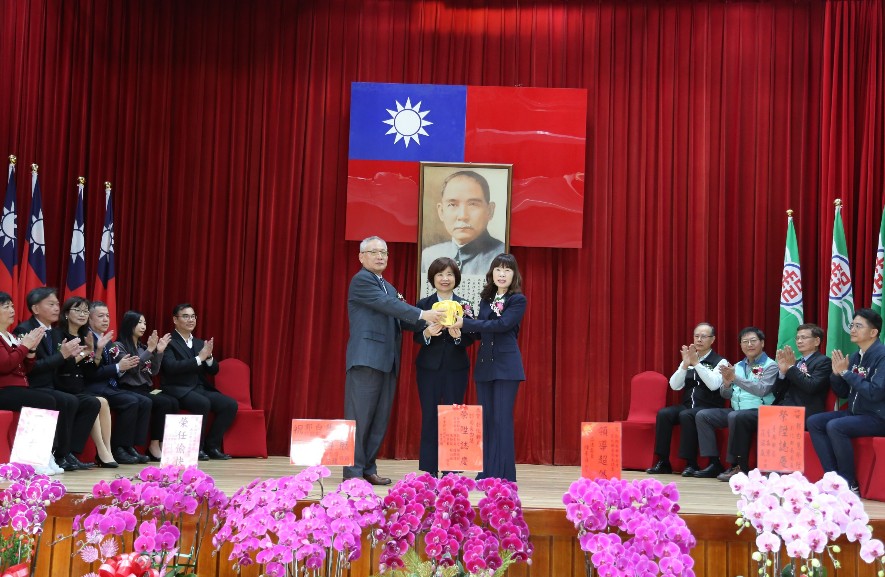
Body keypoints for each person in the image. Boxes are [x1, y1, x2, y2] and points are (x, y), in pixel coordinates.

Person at [344, 236, 446, 485]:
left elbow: (401, 316)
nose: (380, 256)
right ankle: (353, 474)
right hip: (366, 359)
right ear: (361, 257)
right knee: (360, 419)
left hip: (387, 361)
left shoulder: (388, 286)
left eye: (384, 252)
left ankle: (368, 468)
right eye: (374, 252)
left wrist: (429, 325)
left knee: (379, 419)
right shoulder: (362, 280)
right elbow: (389, 306)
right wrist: (424, 313)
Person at [718, 323, 832, 482]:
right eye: (797, 338)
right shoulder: (795, 362)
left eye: (804, 338)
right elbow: (778, 392)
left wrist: (790, 369)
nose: (799, 341)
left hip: (803, 412)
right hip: (782, 409)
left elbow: (811, 387)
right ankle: (740, 467)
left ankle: (772, 472)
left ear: (817, 341)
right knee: (740, 417)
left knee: (744, 417)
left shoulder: (823, 362)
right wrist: (782, 374)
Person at [453, 253, 526, 482]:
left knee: (501, 419)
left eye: (507, 270)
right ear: (491, 273)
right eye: (498, 269)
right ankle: (486, 472)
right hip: (485, 366)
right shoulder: (486, 298)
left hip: (506, 367)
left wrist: (467, 323)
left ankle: (504, 475)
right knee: (486, 420)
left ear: (514, 275)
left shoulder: (517, 300)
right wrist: (459, 328)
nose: (502, 274)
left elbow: (502, 325)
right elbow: (481, 332)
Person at [15, 287, 99, 472]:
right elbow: (32, 367)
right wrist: (63, 355)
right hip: (35, 385)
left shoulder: (54, 332)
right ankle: (57, 453)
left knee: (91, 402)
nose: (56, 308)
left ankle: (70, 452)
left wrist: (81, 354)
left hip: (54, 384)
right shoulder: (25, 330)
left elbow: (61, 363)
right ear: (36, 309)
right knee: (66, 400)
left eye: (57, 304)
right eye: (51, 304)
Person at [808, 309, 885, 495]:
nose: (852, 329)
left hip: (877, 417)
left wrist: (846, 373)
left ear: (873, 332)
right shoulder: (856, 356)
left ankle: (849, 483)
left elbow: (875, 392)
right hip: (855, 413)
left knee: (836, 426)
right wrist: (836, 375)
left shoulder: (882, 356)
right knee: (814, 422)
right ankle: (832, 478)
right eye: (852, 325)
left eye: (858, 326)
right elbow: (843, 392)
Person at [414, 257, 476, 476]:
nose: (445, 279)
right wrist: (426, 333)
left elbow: (473, 336)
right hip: (428, 368)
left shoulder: (465, 305)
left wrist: (459, 337)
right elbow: (415, 335)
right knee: (430, 416)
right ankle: (429, 470)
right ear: (433, 278)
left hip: (456, 368)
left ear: (456, 278)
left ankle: (452, 469)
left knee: (454, 417)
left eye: (449, 274)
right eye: (440, 274)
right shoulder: (423, 305)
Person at [693, 327, 776, 479]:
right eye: (745, 342)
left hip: (761, 412)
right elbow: (726, 395)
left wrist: (735, 379)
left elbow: (762, 390)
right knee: (703, 415)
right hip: (737, 411)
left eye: (753, 341)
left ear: (762, 343)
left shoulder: (770, 365)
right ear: (741, 345)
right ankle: (713, 463)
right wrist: (726, 385)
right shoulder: (737, 366)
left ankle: (739, 466)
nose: (749, 345)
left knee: (735, 417)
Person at [646, 323, 727, 476]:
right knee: (664, 414)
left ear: (712, 340)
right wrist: (684, 365)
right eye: (696, 336)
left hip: (709, 407)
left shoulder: (719, 361)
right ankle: (663, 461)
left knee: (686, 415)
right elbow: (674, 386)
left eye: (704, 336)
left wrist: (696, 364)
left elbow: (714, 385)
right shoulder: (689, 359)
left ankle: (691, 463)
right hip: (688, 405)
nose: (699, 340)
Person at [159, 303, 237, 460]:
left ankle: (212, 446)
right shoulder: (168, 342)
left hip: (199, 388)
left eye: (193, 316)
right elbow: (171, 367)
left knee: (230, 405)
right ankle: (196, 449)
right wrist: (199, 358)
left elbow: (214, 370)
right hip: (177, 388)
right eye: (185, 316)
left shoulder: (200, 343)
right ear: (175, 320)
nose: (191, 320)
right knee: (202, 403)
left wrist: (209, 357)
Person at [86, 301, 154, 465]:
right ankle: (118, 448)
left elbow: (121, 368)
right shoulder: (87, 339)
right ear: (90, 318)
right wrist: (118, 367)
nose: (105, 319)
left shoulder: (107, 341)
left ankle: (130, 446)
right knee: (131, 401)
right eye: (101, 316)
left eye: (107, 316)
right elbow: (92, 373)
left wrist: (122, 367)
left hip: (111, 385)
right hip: (94, 387)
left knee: (144, 401)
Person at [0, 292, 60, 475]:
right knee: (45, 400)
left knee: (48, 399)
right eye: (6, 307)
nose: (12, 310)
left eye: (12, 306)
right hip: (3, 389)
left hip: (17, 387)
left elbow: (25, 368)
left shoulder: (10, 336)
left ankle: (43, 455)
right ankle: (32, 459)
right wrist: (24, 346)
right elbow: (5, 365)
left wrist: (31, 350)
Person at [55, 297, 118, 468]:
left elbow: (90, 369)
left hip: (79, 385)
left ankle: (105, 450)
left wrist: (97, 351)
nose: (82, 314)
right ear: (66, 314)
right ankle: (96, 451)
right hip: (62, 384)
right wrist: (87, 352)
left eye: (85, 311)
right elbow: (62, 365)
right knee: (93, 402)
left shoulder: (85, 336)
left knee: (100, 402)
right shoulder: (58, 334)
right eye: (78, 310)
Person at [116, 310, 176, 461]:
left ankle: (162, 443)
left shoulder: (142, 347)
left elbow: (153, 371)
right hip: (129, 388)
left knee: (172, 401)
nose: (143, 326)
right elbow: (132, 369)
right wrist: (149, 350)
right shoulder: (119, 346)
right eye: (139, 323)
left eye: (144, 323)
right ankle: (150, 445)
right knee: (160, 402)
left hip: (146, 389)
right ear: (129, 324)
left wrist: (159, 352)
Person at [421, 171, 505, 275]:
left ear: (490, 211)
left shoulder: (504, 256)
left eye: (473, 204)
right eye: (452, 205)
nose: (462, 216)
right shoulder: (429, 256)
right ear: (441, 211)